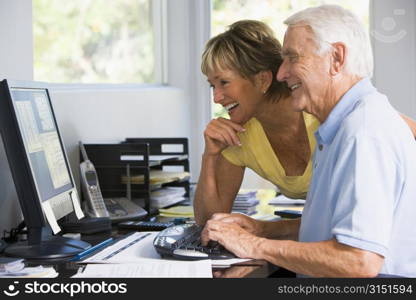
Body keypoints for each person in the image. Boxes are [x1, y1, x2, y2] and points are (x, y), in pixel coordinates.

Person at [201, 5, 416, 277]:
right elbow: (326, 227)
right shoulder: (338, 127)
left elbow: (359, 261)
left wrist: (254, 244)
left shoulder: (363, 133)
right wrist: (263, 229)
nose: (281, 73)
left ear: (336, 58)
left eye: (292, 58)